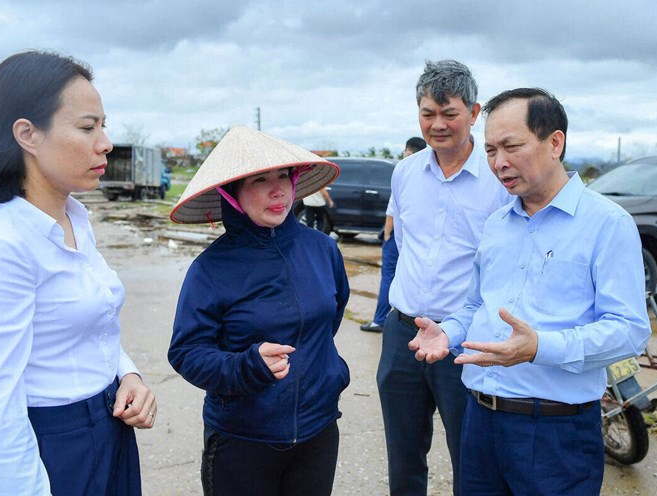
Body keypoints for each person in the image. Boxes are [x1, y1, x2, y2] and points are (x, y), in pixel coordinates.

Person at [409, 88, 651, 495]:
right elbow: (475, 304)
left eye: (511, 146)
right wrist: (448, 332)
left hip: (557, 433)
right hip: (480, 420)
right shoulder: (497, 224)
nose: (499, 163)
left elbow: (629, 331)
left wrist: (540, 347)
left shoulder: (607, 224)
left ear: (554, 142)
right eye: (489, 150)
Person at [0, 50, 156, 495]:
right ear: (27, 134)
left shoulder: (75, 221)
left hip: (109, 429)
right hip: (49, 447)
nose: (105, 143)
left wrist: (129, 375)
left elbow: (93, 325)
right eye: (87, 127)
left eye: (103, 125)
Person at [168, 125, 349, 496]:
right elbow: (186, 352)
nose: (277, 190)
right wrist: (247, 366)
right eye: (259, 180)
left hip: (318, 430)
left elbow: (330, 317)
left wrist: (326, 373)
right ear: (231, 194)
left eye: (283, 175)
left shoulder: (323, 251)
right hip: (242, 438)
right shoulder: (210, 268)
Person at [376, 60, 511, 496]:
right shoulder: (405, 173)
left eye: (448, 113)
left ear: (474, 113)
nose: (437, 125)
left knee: (468, 454)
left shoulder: (498, 180)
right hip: (403, 333)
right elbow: (399, 247)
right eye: (427, 113)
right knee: (403, 453)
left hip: (464, 338)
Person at [360, 136, 426, 333]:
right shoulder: (424, 175)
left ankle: (379, 319)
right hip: (414, 240)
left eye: (406, 150)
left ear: (410, 151)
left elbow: (392, 212)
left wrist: (387, 235)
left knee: (388, 278)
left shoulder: (405, 171)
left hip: (397, 237)